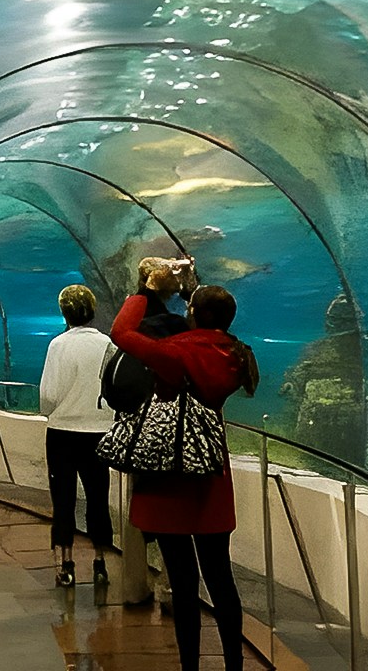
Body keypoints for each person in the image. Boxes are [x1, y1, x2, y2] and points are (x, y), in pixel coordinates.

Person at [110, 266, 259, 671]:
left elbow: (122, 333)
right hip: (211, 476)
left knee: (183, 582)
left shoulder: (177, 353)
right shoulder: (235, 353)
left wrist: (146, 289)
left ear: (194, 314)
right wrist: (194, 291)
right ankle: (233, 665)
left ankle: (191, 666)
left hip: (169, 479)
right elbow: (208, 322)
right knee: (221, 578)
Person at [38, 283, 116, 588]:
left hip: (63, 433)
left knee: (64, 498)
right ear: (93, 311)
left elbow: (49, 394)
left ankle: (66, 564)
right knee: (98, 497)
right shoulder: (107, 344)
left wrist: (52, 412)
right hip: (100, 431)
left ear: (64, 312)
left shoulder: (58, 345)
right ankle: (100, 563)